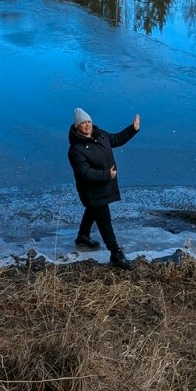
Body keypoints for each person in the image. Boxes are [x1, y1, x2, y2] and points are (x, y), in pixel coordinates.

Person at [67, 106, 140, 270]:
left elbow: (116, 139)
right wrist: (107, 175)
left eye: (89, 122)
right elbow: (85, 173)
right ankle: (115, 253)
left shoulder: (100, 135)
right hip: (92, 189)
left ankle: (82, 237)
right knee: (104, 219)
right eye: (83, 123)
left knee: (93, 210)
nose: (87, 125)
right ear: (77, 126)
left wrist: (132, 129)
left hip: (105, 185)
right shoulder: (75, 150)